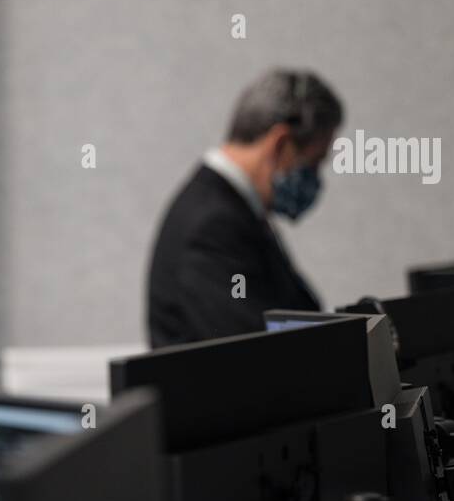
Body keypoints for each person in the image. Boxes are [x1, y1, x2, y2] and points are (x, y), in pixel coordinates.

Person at [146, 69, 343, 347]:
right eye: (315, 162)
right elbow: (256, 352)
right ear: (281, 143)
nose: (315, 177)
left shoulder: (234, 209)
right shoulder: (212, 224)